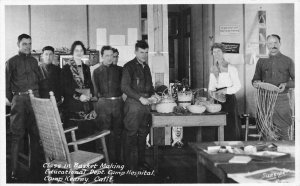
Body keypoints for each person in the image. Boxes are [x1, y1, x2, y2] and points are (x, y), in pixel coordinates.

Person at [6, 34, 44, 182]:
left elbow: (39, 82)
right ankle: (14, 172)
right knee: (17, 137)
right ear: (18, 44)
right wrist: (16, 99)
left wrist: (37, 99)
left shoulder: (35, 62)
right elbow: (6, 86)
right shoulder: (11, 62)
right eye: (24, 44)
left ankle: (34, 170)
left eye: (29, 44)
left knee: (35, 136)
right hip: (19, 101)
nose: (27, 46)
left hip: (34, 100)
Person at [252, 34, 294, 140]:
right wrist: (255, 83)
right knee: (266, 131)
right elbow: (255, 79)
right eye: (270, 43)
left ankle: (285, 155)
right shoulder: (261, 61)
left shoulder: (288, 61)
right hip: (264, 99)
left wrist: (286, 84)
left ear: (280, 43)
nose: (273, 45)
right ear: (267, 45)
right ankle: (268, 155)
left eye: (275, 42)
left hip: (281, 100)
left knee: (283, 132)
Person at [121, 40, 154, 170]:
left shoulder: (146, 67)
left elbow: (150, 86)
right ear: (135, 52)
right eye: (141, 52)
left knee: (143, 134)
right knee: (130, 134)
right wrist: (140, 98)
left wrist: (153, 94)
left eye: (146, 52)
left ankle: (141, 162)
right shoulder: (128, 66)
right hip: (133, 105)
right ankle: (128, 165)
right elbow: (124, 87)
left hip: (145, 106)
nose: (144, 55)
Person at [93, 45, 123, 163]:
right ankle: (105, 161)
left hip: (118, 104)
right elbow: (95, 91)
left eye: (111, 55)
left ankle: (117, 161)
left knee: (118, 133)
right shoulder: (96, 71)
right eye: (107, 56)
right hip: (103, 104)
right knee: (104, 132)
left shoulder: (120, 70)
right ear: (102, 56)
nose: (110, 58)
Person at [208, 43, 242, 141]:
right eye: (214, 52)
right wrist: (212, 93)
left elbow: (238, 86)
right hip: (217, 99)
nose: (217, 53)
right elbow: (211, 86)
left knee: (230, 123)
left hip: (229, 99)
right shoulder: (213, 68)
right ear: (213, 54)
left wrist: (225, 90)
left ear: (223, 52)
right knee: (218, 123)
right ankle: (219, 144)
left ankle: (231, 145)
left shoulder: (231, 68)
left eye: (219, 51)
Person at [60, 41, 95, 127]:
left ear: (83, 52)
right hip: (72, 106)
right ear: (72, 52)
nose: (79, 53)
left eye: (81, 50)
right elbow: (65, 87)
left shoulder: (86, 68)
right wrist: (80, 96)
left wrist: (90, 94)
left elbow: (90, 84)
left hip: (86, 105)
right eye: (76, 50)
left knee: (88, 133)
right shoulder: (66, 68)